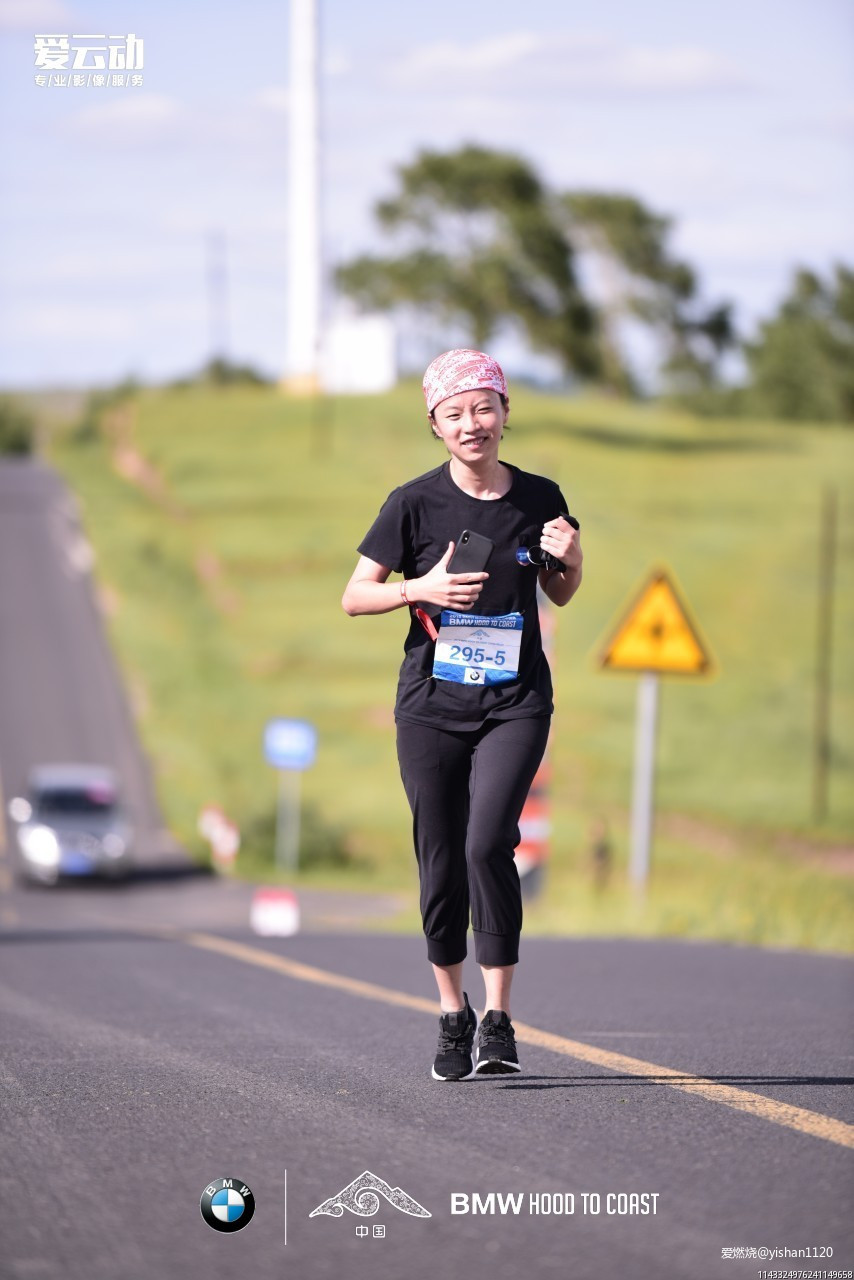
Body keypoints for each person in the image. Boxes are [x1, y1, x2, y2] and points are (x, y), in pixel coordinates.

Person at [342, 348, 582, 1081]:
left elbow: (561, 593)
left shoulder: (541, 495)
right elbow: (356, 595)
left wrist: (572, 558)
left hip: (515, 701)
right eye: (456, 413)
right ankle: (453, 1014)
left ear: (506, 413)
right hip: (431, 708)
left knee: (488, 844)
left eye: (484, 407)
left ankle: (500, 1021)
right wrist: (424, 588)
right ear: (436, 426)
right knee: (441, 858)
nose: (472, 422)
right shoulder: (411, 503)